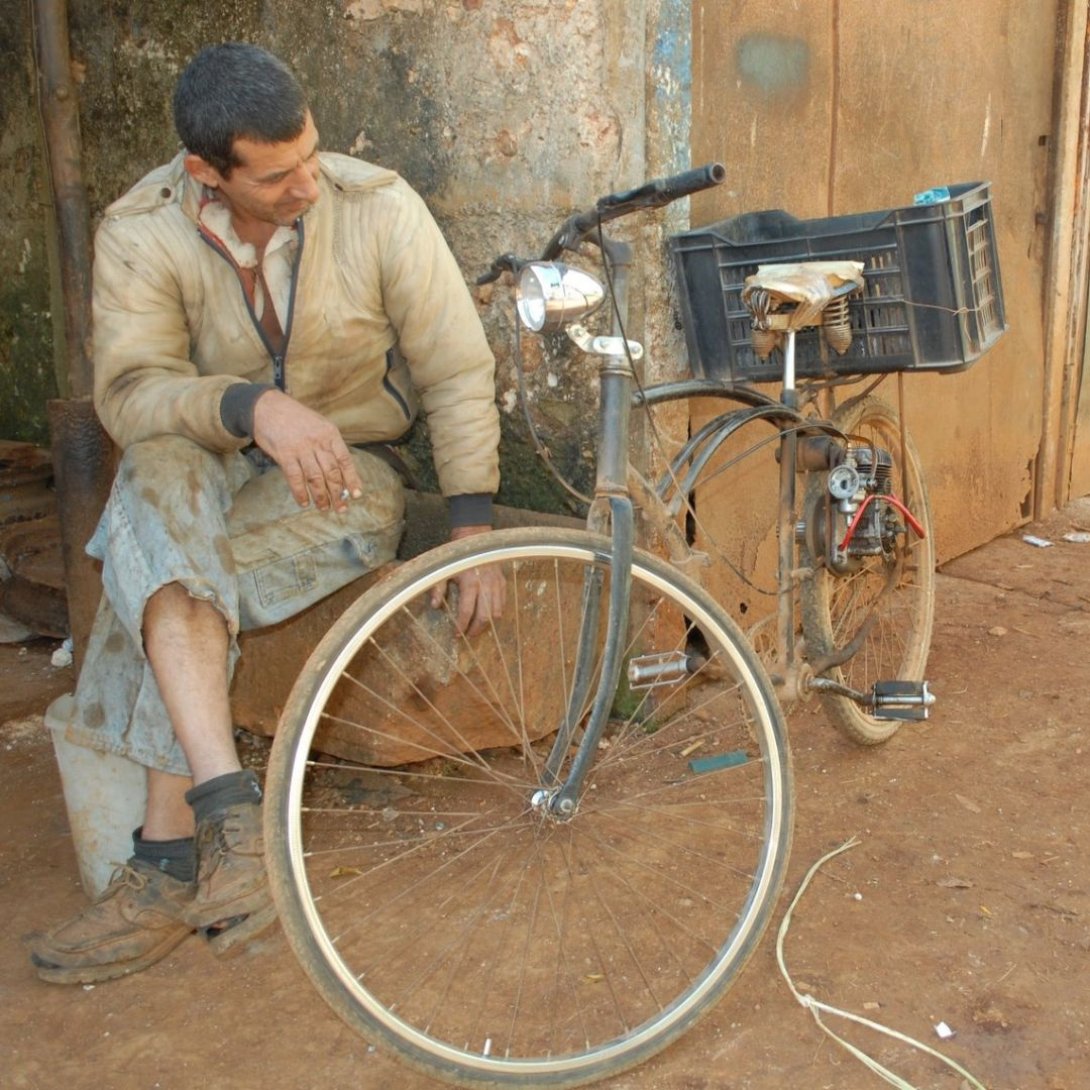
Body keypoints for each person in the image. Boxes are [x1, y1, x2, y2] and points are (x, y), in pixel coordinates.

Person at [26, 42, 504, 984]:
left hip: (345, 477)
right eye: (279, 174)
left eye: (312, 156)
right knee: (157, 491)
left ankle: (163, 858)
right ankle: (230, 818)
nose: (309, 186)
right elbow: (131, 395)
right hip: (204, 460)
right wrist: (250, 408)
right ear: (208, 172)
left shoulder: (378, 207)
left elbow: (456, 370)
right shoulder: (140, 231)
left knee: (151, 572)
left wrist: (473, 531)